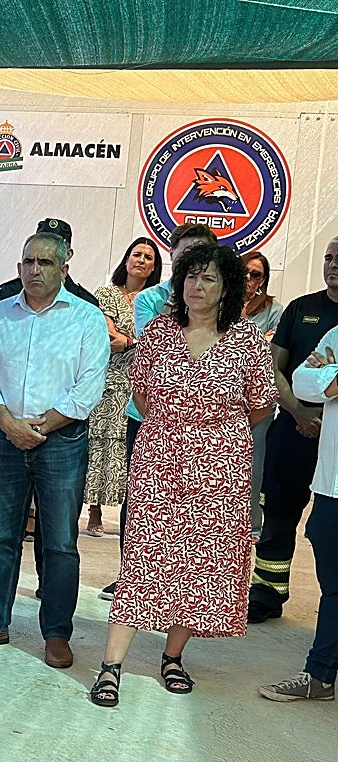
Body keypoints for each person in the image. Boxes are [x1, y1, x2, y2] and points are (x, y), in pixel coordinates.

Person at [90, 244, 276, 707]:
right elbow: (144, 395)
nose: (197, 286)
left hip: (222, 470)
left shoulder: (247, 341)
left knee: (203, 566)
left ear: (227, 287)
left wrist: (215, 437)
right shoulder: (157, 333)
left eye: (209, 278)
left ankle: (173, 657)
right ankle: (111, 665)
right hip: (160, 462)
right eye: (190, 276)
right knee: (143, 560)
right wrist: (177, 434)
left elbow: (261, 404)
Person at [0, 231, 108, 668]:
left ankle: (57, 633)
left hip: (61, 443)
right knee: (1, 535)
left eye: (44, 262)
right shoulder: (0, 315)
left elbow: (89, 385)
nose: (34, 270)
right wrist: (8, 422)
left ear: (65, 265)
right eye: (27, 262)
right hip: (5, 440)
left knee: (60, 542)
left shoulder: (85, 319)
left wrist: (42, 425)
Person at [100, 222, 217, 600]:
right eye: (185, 254)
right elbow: (160, 349)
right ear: (172, 256)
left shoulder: (224, 304)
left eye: (200, 254)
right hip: (149, 417)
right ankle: (131, 578)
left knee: (190, 505)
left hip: (201, 427)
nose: (192, 262)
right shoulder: (152, 299)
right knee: (141, 500)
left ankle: (178, 583)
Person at [247, 238, 338, 623]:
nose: (333, 264)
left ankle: (331, 597)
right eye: (329, 257)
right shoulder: (302, 308)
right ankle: (268, 591)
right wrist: (300, 413)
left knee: (328, 524)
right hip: (293, 424)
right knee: (279, 512)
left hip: (333, 430)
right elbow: (275, 368)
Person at [258, 329, 338, 701]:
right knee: (333, 586)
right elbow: (303, 383)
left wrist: (331, 375)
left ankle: (319, 671)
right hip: (331, 484)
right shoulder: (337, 333)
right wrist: (329, 378)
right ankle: (320, 676)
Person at [84, 238, 162, 536]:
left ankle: (130, 516)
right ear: (126, 259)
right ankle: (94, 511)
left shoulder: (155, 299)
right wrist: (138, 342)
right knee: (100, 444)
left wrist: (129, 341)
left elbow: (132, 341)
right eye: (136, 254)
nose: (141, 260)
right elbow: (109, 339)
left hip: (141, 384)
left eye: (148, 257)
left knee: (130, 450)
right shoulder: (106, 294)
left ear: (155, 267)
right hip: (109, 380)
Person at [242, 250, 283, 538]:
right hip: (221, 400)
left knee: (254, 463)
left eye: (255, 274)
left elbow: (268, 352)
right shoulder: (221, 305)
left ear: (263, 281)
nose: (248, 278)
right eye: (244, 272)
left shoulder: (274, 311)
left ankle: (252, 525)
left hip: (258, 400)